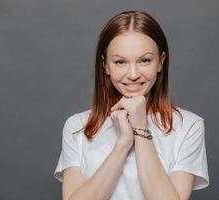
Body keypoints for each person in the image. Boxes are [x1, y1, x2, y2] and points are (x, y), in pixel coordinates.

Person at [54, 10, 209, 200]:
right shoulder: (77, 127)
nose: (133, 74)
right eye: (120, 62)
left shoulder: (189, 126)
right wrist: (123, 143)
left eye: (144, 60)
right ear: (106, 66)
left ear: (160, 62)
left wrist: (140, 129)